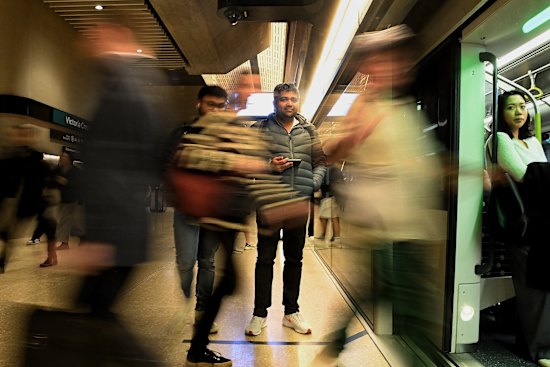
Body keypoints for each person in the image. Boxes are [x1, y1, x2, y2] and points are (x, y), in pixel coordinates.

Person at [312, 25, 443, 366]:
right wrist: (352, 138)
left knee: (376, 292)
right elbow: (330, 151)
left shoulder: (403, 108)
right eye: (384, 61)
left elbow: (417, 165)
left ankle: (337, 339)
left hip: (411, 226)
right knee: (411, 311)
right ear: (371, 67)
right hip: (383, 228)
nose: (395, 68)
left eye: (399, 61)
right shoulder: (364, 107)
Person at [245, 83, 326, 336]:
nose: (288, 103)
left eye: (292, 99)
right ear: (275, 102)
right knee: (265, 259)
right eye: (283, 99)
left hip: (299, 203)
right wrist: (268, 165)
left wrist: (312, 183)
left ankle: (291, 312)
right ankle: (260, 314)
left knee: (295, 259)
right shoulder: (259, 129)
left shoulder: (309, 130)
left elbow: (321, 162)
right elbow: (246, 162)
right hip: (270, 202)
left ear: (297, 101)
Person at [487, 90, 550, 367]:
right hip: (520, 224)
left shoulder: (532, 142)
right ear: (501, 113)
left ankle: (536, 344)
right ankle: (540, 350)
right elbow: (525, 175)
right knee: (531, 289)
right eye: (510, 107)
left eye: (522, 106)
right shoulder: (498, 140)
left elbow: (540, 176)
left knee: (543, 285)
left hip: (539, 223)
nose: (518, 112)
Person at [163, 85, 229, 334]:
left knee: (207, 262)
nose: (215, 110)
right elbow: (165, 165)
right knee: (185, 262)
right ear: (198, 104)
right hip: (186, 209)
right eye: (211, 104)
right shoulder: (180, 133)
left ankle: (202, 311)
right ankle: (186, 297)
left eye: (221, 106)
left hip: (214, 211)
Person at [53, 150, 81, 251]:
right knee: (68, 221)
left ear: (69, 159)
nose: (61, 158)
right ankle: (81, 236)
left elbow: (76, 184)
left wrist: (65, 182)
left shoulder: (75, 171)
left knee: (65, 221)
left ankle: (64, 243)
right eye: (61, 156)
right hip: (61, 199)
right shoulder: (59, 169)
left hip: (71, 199)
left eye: (64, 157)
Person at [316, 165, 343, 244]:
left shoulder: (329, 169)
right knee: (332, 217)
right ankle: (331, 236)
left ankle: (336, 238)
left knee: (330, 217)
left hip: (329, 196)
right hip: (333, 196)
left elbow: (326, 183)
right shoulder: (335, 169)